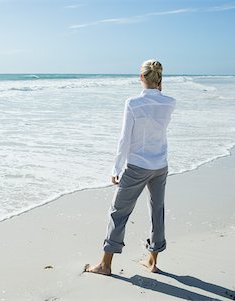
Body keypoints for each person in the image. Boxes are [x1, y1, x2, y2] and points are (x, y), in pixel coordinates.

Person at [84, 59, 176, 275]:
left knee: (118, 212)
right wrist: (159, 89)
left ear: (141, 77)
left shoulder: (133, 103)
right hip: (160, 165)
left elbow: (125, 139)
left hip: (137, 166)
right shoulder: (170, 102)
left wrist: (116, 168)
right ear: (160, 79)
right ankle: (152, 261)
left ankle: (105, 265)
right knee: (157, 211)